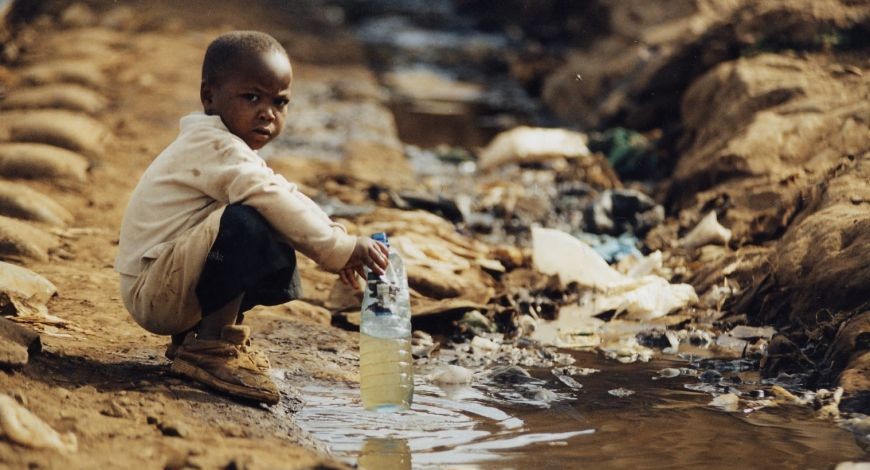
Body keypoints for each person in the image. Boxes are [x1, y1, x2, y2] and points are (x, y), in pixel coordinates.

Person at [114, 31, 388, 404]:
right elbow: (271, 197)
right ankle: (210, 347)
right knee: (249, 222)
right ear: (209, 96)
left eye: (280, 102)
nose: (268, 113)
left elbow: (283, 194)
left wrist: (338, 237)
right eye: (252, 97)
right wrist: (339, 248)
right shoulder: (212, 145)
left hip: (169, 282)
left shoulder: (228, 148)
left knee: (271, 222)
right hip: (155, 291)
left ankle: (198, 338)